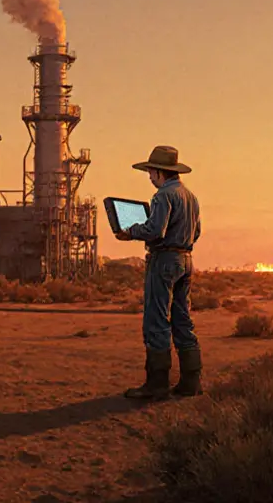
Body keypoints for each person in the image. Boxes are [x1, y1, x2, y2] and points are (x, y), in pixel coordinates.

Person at [115, 145, 202, 401]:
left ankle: (157, 383)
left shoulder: (163, 196)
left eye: (150, 173)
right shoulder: (190, 196)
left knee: (156, 320)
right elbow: (196, 232)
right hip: (186, 260)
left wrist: (130, 232)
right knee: (182, 318)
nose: (150, 178)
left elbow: (155, 230)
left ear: (158, 172)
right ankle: (191, 382)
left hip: (164, 260)